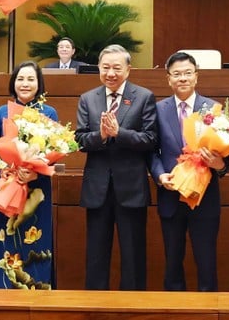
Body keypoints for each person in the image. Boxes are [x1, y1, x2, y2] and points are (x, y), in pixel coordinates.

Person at [75, 44, 157, 290]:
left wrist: (120, 133)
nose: (111, 73)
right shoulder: (88, 99)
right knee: (96, 255)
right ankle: (95, 307)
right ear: (99, 68)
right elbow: (79, 140)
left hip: (131, 188)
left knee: (133, 256)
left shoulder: (144, 97)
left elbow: (151, 140)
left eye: (116, 68)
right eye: (106, 67)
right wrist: (99, 135)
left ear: (128, 69)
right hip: (97, 189)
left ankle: (132, 307)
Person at [149, 51, 229, 291]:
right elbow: (151, 151)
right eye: (177, 74)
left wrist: (219, 165)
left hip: (204, 198)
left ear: (196, 77)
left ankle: (208, 309)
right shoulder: (157, 109)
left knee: (206, 261)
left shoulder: (213, 109)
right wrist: (160, 175)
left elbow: (226, 152)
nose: (182, 78)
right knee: (172, 261)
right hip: (171, 194)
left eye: (187, 73)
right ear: (168, 79)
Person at [0, 61, 58, 289]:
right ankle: (4, 295)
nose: (25, 84)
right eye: (20, 79)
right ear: (13, 83)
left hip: (38, 192)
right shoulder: (2, 112)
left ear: (39, 83)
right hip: (9, 190)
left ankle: (39, 295)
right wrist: (5, 167)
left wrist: (35, 173)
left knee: (37, 242)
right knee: (8, 241)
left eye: (30, 79)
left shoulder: (49, 112)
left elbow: (55, 149)